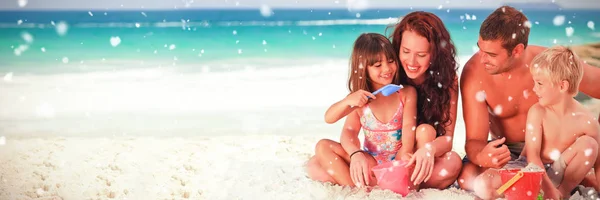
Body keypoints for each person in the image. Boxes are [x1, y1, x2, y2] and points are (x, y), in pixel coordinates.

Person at [307, 11, 463, 190]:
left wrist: (424, 151)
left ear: (435, 54)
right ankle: (368, 188)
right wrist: (356, 152)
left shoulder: (427, 86)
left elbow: (443, 138)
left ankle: (393, 184)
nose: (411, 61)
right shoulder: (373, 89)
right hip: (373, 159)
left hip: (413, 156)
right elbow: (339, 123)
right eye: (405, 51)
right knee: (316, 162)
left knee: (448, 158)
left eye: (421, 54)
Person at [458, 6, 600, 199]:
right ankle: (559, 181)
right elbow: (474, 140)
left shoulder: (551, 65)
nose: (482, 59)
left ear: (517, 50)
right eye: (480, 49)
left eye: (491, 55)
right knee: (467, 178)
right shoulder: (475, 73)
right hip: (511, 153)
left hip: (556, 149)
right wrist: (482, 155)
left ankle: (561, 181)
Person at [305, 32, 418, 188]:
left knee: (317, 166)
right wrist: (355, 153)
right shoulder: (359, 100)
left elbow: (408, 128)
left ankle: (364, 185)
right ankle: (357, 191)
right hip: (370, 162)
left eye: (391, 61)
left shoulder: (406, 93)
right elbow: (341, 126)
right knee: (322, 147)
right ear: (363, 69)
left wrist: (402, 156)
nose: (387, 68)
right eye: (378, 65)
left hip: (399, 160)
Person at [522, 46, 600, 199]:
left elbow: (598, 164)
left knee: (589, 145)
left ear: (562, 86)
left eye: (539, 83)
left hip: (558, 173)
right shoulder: (537, 112)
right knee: (485, 185)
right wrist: (547, 187)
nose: (534, 88)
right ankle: (551, 191)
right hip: (530, 169)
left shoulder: (587, 121)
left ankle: (562, 192)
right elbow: (532, 157)